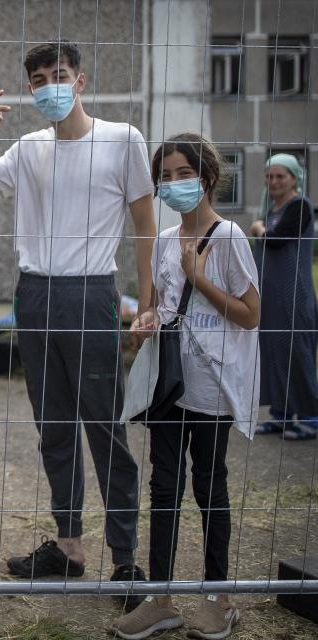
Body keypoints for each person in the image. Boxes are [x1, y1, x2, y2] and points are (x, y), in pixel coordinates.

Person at [0, 40, 154, 606]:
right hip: (34, 295)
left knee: (105, 428)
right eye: (37, 80)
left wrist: (149, 299)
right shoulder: (27, 148)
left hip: (91, 294)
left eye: (57, 75)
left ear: (81, 80)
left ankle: (127, 559)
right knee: (54, 427)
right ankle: (68, 547)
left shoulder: (123, 139)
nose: (47, 87)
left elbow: (144, 224)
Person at [111, 133, 259, 640]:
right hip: (169, 384)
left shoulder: (230, 236)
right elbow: (159, 306)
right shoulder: (162, 242)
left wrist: (202, 277)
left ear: (208, 178)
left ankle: (220, 599)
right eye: (165, 177)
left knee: (209, 487)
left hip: (212, 387)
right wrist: (145, 320)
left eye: (182, 174)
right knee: (164, 487)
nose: (173, 184)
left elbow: (250, 313)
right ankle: (162, 598)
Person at [250, 153, 317, 441]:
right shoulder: (272, 210)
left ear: (294, 178)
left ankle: (311, 417)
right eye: (269, 176)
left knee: (297, 355)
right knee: (275, 353)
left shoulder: (300, 206)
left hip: (293, 296)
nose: (274, 181)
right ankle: (281, 414)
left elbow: (276, 241)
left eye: (280, 176)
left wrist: (259, 230)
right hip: (272, 298)